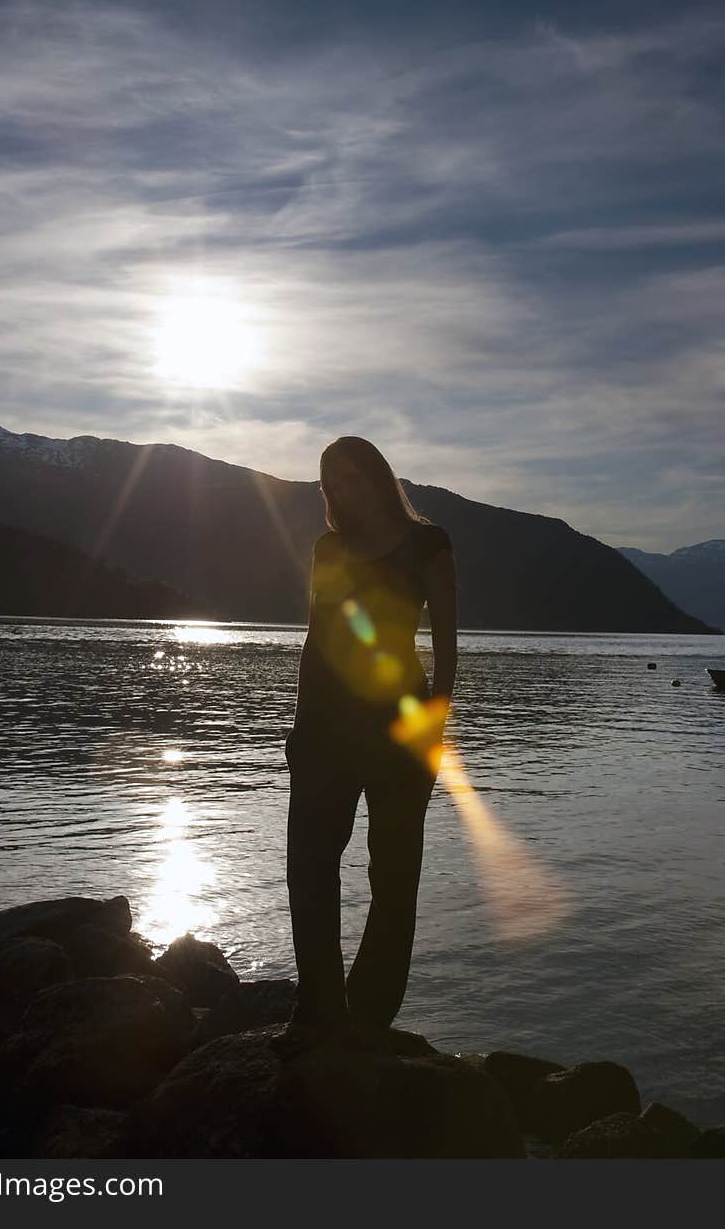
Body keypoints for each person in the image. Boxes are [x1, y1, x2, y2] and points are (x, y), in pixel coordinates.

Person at [273, 436, 458, 1055]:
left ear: (378, 477)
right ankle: (319, 1006)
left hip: (399, 727)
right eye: (330, 482)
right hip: (325, 727)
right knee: (309, 864)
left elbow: (449, 650)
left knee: (395, 873)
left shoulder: (429, 544)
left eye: (349, 477)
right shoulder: (329, 548)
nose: (340, 490)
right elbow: (316, 639)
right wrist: (300, 731)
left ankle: (370, 1014)